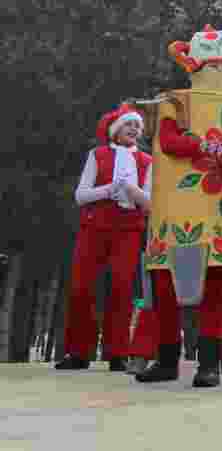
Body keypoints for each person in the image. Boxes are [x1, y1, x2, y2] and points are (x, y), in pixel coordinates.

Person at [133, 26, 222, 388]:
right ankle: (167, 359)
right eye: (210, 65)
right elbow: (167, 142)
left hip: (221, 216)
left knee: (214, 291)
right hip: (175, 212)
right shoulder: (174, 101)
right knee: (165, 287)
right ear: (191, 65)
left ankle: (209, 363)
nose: (217, 73)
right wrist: (214, 149)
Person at [57, 105, 152, 372]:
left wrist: (131, 191)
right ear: (115, 129)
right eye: (128, 124)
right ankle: (78, 352)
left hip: (128, 231)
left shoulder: (147, 162)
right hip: (94, 228)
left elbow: (150, 204)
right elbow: (81, 195)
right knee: (82, 287)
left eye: (137, 126)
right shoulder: (97, 155)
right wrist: (109, 190)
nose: (134, 129)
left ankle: (118, 352)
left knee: (122, 289)